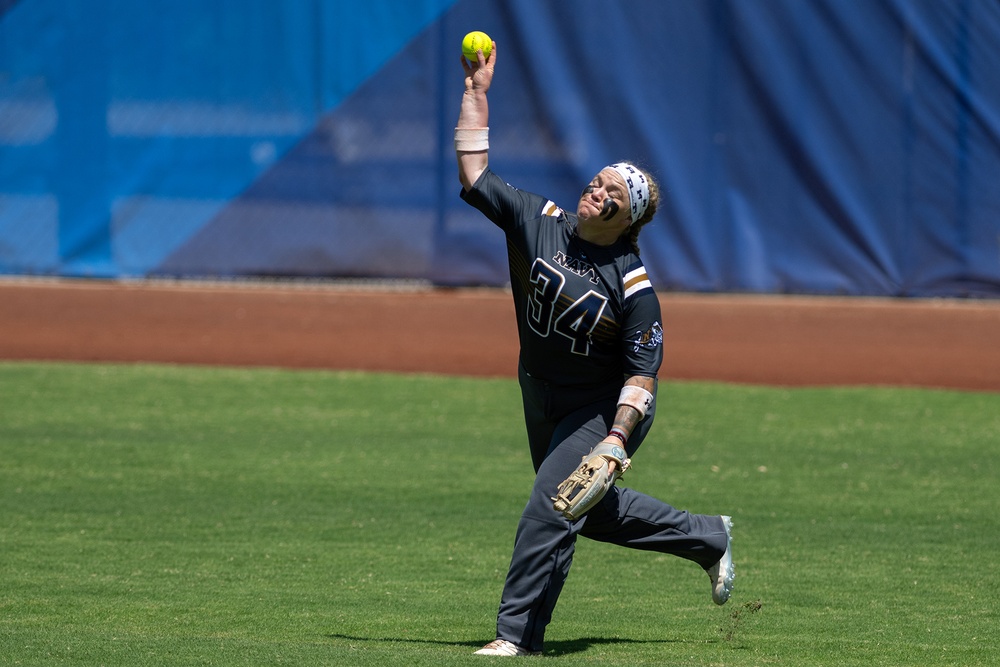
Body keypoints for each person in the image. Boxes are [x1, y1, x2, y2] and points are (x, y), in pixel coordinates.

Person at [455, 40, 735, 658]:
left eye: (611, 192)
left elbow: (643, 375)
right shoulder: (541, 221)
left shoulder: (633, 287)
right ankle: (707, 537)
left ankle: (514, 635)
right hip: (540, 388)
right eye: (599, 178)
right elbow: (475, 176)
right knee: (588, 512)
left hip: (602, 408)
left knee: (551, 505)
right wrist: (476, 94)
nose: (596, 189)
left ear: (624, 217)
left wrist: (615, 438)